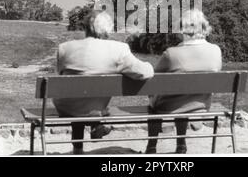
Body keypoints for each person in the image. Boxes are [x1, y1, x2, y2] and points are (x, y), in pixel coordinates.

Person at [54, 10, 154, 154]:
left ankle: (78, 148)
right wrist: (150, 65)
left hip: (65, 107)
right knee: (91, 99)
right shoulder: (118, 49)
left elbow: (60, 72)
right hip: (94, 107)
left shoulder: (64, 48)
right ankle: (95, 124)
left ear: (86, 27)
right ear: (108, 29)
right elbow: (144, 72)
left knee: (80, 93)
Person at [145, 9, 222, 154]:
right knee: (185, 97)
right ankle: (181, 144)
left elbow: (153, 80)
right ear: (204, 28)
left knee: (156, 102)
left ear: (182, 29)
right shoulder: (216, 50)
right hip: (201, 104)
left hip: (168, 106)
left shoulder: (171, 53)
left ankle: (151, 146)